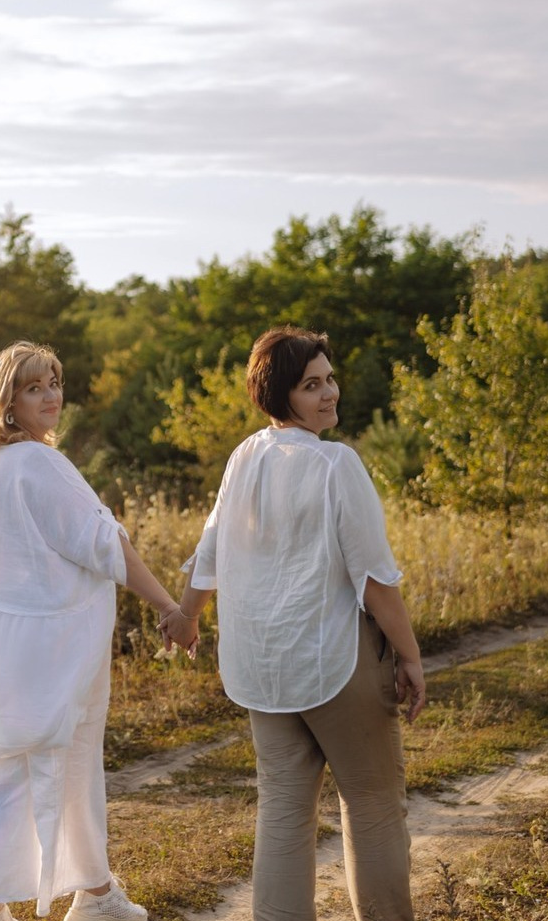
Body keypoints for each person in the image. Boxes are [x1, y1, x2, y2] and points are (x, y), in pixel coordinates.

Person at [0, 340, 195, 921]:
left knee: (21, 765)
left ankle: (94, 892)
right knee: (30, 770)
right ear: (7, 401)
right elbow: (106, 542)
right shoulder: (39, 464)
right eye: (33, 387)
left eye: (54, 383)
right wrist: (171, 607)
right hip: (49, 650)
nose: (50, 396)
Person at [163, 326, 426, 921]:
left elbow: (210, 550)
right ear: (279, 395)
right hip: (336, 659)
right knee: (373, 804)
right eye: (312, 385)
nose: (329, 393)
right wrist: (409, 655)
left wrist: (187, 617)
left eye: (329, 378)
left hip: (263, 665)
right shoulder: (337, 463)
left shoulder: (245, 456)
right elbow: (377, 581)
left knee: (282, 810)